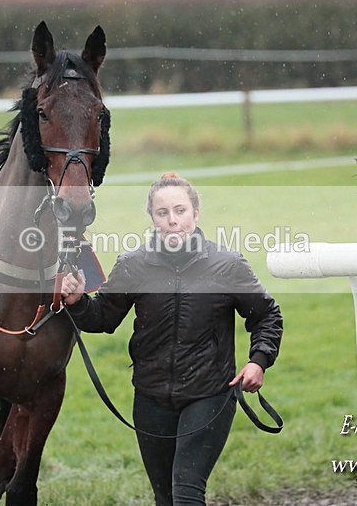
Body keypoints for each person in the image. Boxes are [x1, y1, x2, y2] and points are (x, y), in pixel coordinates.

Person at [60, 172, 283, 506]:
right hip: (150, 398)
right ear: (152, 217)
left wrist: (258, 361)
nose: (173, 220)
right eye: (163, 213)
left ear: (195, 213)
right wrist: (78, 302)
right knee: (165, 496)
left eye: (180, 211)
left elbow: (267, 316)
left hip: (210, 395)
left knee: (186, 490)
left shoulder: (227, 265)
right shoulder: (132, 265)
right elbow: (103, 318)